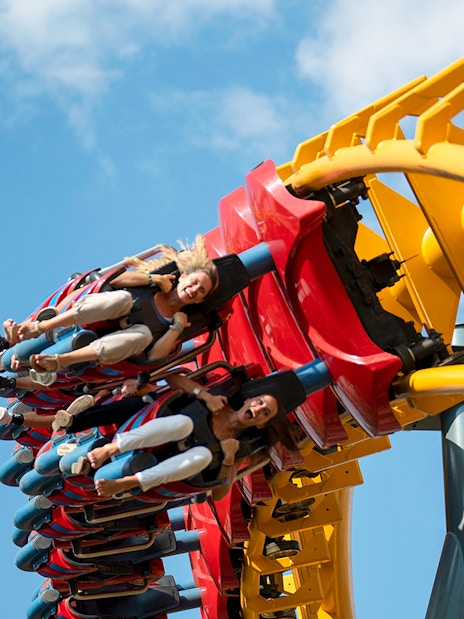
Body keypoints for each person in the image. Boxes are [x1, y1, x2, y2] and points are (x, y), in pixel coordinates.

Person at [72, 372, 300, 502]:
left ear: (261, 425)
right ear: (250, 400)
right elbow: (173, 379)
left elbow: (219, 494)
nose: (259, 409)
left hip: (165, 473)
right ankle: (109, 449)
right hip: (152, 431)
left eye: (265, 413)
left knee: (201, 455)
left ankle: (128, 482)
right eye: (259, 402)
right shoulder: (220, 399)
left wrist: (229, 460)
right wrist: (205, 395)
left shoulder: (238, 447)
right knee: (184, 422)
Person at [10, 236, 218, 375]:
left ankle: (61, 360)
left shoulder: (175, 321)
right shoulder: (154, 285)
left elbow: (154, 355)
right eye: (194, 282)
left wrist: (177, 328)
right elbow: (115, 281)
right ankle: (41, 327)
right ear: (182, 277)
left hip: (116, 348)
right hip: (100, 311)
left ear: (200, 300)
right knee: (124, 299)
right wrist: (153, 280)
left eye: (201, 291)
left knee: (144, 335)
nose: (194, 289)